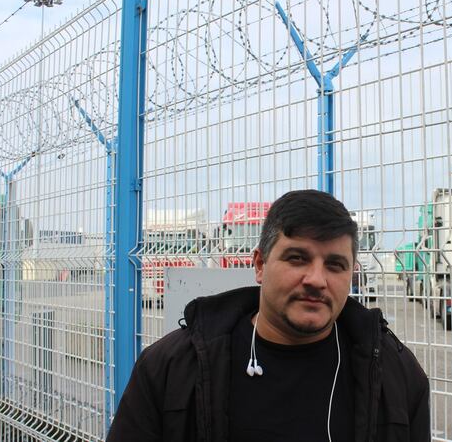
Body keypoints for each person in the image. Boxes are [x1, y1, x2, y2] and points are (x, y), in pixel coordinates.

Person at [107, 189, 430, 442]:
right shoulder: (171, 367)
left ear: (351, 274)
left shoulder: (395, 375)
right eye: (297, 258)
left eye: (335, 265)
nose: (317, 279)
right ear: (260, 264)